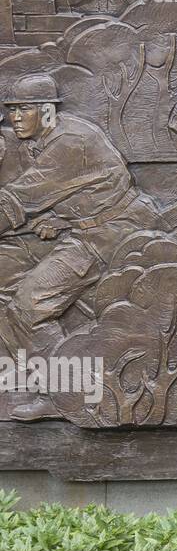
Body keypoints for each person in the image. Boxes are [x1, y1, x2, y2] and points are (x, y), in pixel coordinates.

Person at [0, 74, 159, 420]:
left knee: (30, 305)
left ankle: (62, 396)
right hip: (83, 229)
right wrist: (63, 218)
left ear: (47, 112)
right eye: (11, 110)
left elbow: (18, 201)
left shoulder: (70, 140)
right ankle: (20, 376)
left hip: (112, 236)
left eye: (23, 109)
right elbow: (85, 189)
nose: (14, 118)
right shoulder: (46, 136)